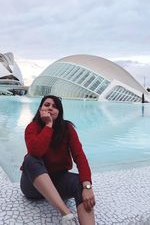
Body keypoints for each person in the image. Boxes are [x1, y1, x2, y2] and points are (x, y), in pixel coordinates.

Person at [20, 95, 96, 225]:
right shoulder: (32, 127)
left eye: (55, 106)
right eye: (47, 104)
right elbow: (36, 151)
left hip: (58, 181)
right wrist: (48, 125)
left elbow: (79, 156)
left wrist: (87, 186)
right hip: (33, 186)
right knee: (30, 159)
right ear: (40, 108)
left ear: (59, 112)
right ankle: (67, 216)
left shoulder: (67, 129)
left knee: (80, 183)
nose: (50, 108)